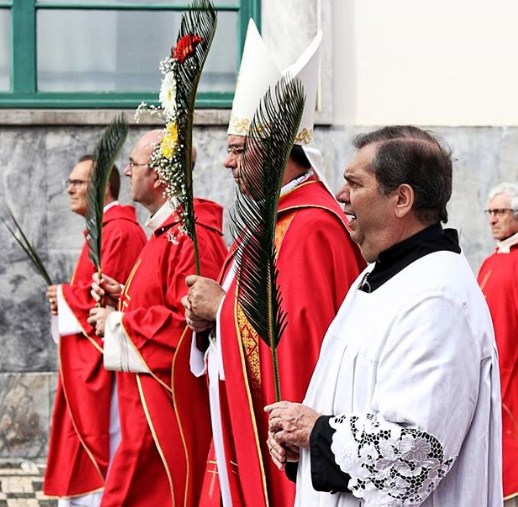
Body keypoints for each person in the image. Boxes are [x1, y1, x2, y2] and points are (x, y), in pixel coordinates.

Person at [265, 126, 503, 507]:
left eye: (355, 183)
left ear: (401, 199)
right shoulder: (378, 276)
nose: (341, 195)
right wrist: (305, 447)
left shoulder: (437, 301)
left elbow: (416, 452)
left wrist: (315, 432)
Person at [182, 21, 365, 507]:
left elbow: (301, 338)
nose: (227, 163)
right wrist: (206, 322)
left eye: (236, 149)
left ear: (272, 147)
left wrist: (221, 308)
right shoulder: (267, 221)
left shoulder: (311, 226)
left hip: (287, 445)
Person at [87, 129, 227, 507]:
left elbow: (190, 327)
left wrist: (116, 323)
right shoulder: (167, 232)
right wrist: (123, 295)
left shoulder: (191, 236)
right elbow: (164, 298)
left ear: (159, 176)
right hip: (144, 403)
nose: (126, 172)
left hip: (166, 408)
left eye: (133, 164)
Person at [43, 155, 147, 506]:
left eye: (78, 182)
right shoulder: (104, 229)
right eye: (70, 182)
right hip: (92, 363)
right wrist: (65, 299)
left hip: (107, 371)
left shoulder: (119, 231)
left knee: (104, 445)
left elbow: (109, 306)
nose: (69, 189)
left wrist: (64, 297)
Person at [478, 182, 518, 506]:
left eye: (500, 212)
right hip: (490, 376)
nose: (493, 219)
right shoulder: (490, 262)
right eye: (490, 212)